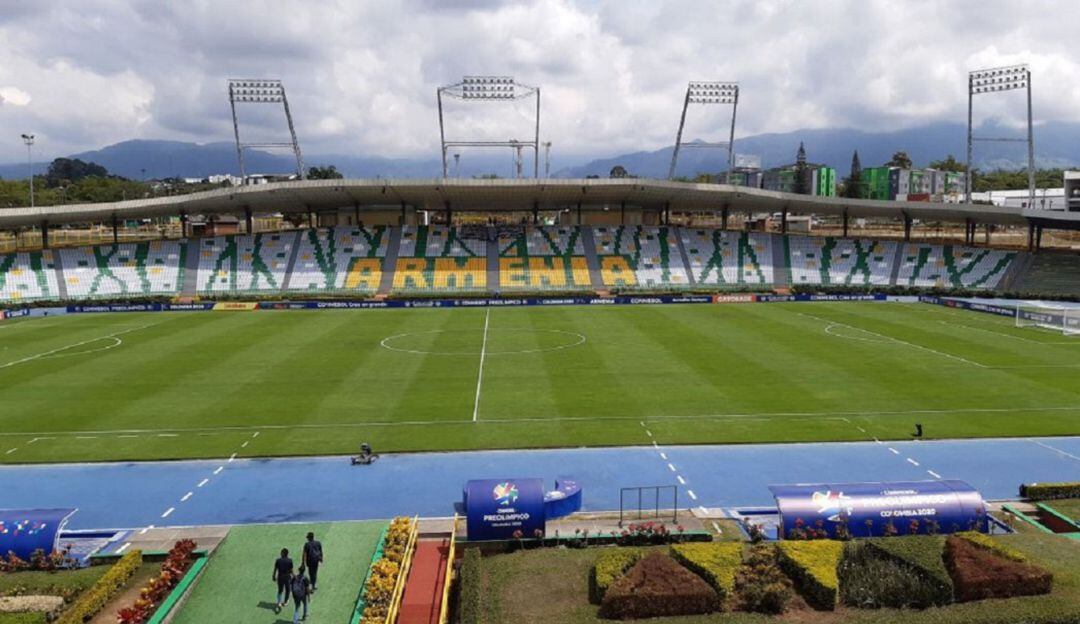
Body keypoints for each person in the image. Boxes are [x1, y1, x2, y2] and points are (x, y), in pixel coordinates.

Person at [272, 548, 294, 614]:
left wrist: (273, 576)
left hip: (280, 577)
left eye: (281, 552)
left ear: (283, 553)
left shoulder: (278, 560)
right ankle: (285, 601)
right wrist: (294, 576)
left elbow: (275, 569)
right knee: (288, 589)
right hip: (287, 577)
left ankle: (279, 602)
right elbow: (291, 570)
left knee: (280, 590)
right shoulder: (290, 560)